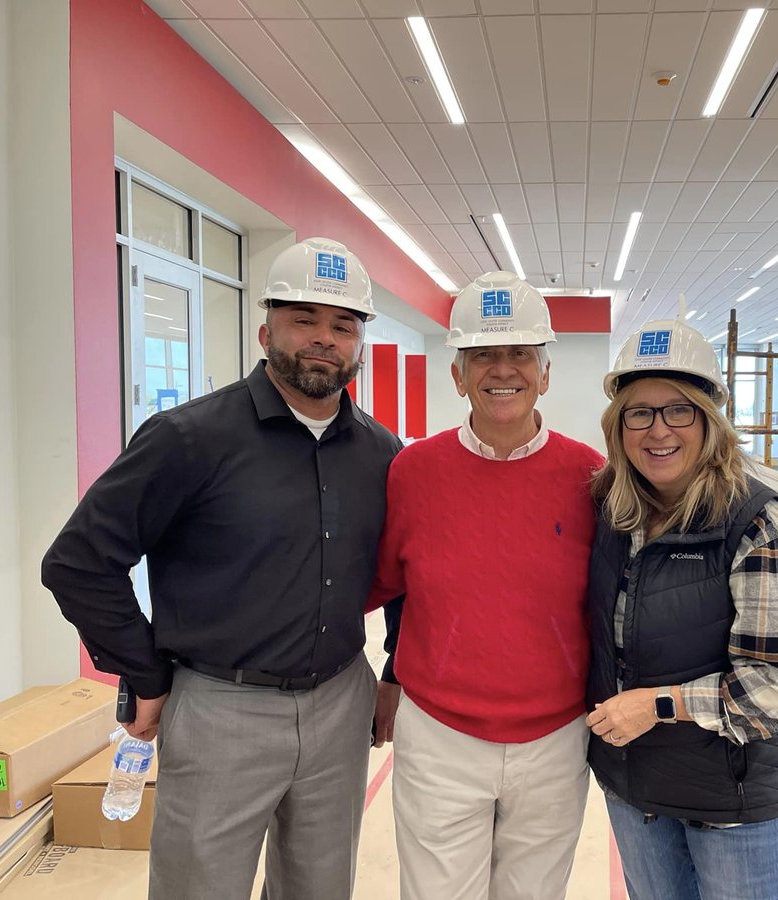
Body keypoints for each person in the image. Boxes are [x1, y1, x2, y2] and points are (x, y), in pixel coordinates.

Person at [41, 237, 400, 900]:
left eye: (343, 325)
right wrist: (144, 671)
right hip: (219, 710)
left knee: (320, 890)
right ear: (266, 331)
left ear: (359, 345)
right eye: (305, 320)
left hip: (339, 706)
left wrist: (396, 673)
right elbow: (79, 561)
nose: (324, 337)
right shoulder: (190, 438)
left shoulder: (380, 452)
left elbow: (410, 569)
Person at [367, 271, 603, 900]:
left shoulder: (591, 476)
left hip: (556, 736)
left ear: (545, 371)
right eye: (483, 356)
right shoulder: (412, 472)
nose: (504, 370)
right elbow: (385, 584)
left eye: (520, 353)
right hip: (440, 735)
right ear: (458, 373)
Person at [584, 317, 778, 900]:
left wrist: (662, 704)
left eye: (678, 410)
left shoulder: (761, 524)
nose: (658, 430)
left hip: (732, 803)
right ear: (619, 426)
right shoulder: (612, 513)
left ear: (710, 420)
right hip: (634, 786)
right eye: (639, 412)